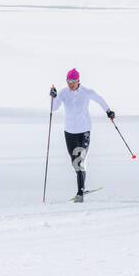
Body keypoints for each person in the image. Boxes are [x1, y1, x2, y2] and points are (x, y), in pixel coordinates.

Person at [49, 69, 115, 202]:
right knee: (75, 163)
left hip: (84, 131)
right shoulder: (63, 93)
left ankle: (80, 193)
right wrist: (53, 97)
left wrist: (109, 111)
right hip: (69, 132)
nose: (70, 84)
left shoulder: (86, 92)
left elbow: (99, 99)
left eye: (73, 82)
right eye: (68, 82)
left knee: (79, 161)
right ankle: (82, 185)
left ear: (78, 81)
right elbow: (54, 108)